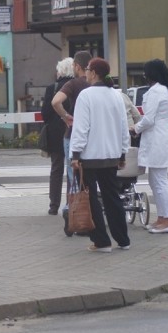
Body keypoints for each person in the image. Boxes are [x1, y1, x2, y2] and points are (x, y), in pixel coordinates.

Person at [69, 58, 131, 253]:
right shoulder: (116, 95)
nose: (85, 73)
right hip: (112, 155)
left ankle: (101, 241)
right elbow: (123, 127)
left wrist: (75, 154)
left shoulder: (85, 96)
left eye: (87, 70)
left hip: (89, 155)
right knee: (112, 196)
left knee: (91, 198)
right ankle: (123, 239)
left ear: (94, 73)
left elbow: (81, 127)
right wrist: (122, 153)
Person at [132, 59, 168, 234]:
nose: (144, 75)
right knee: (156, 180)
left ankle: (167, 220)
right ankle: (162, 218)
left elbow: (149, 119)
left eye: (145, 72)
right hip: (162, 138)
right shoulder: (167, 90)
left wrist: (135, 128)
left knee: (159, 181)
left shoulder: (155, 91)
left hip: (157, 140)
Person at [50, 51, 92, 206]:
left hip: (73, 134)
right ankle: (92, 207)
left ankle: (74, 210)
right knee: (90, 174)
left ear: (77, 66)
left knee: (73, 174)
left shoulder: (73, 84)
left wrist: (65, 116)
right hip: (93, 135)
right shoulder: (95, 83)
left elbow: (55, 102)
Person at [40, 57, 74, 215]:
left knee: (56, 169)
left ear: (60, 71)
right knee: (72, 169)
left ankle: (53, 205)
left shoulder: (52, 88)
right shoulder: (77, 86)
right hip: (73, 132)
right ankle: (71, 203)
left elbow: (45, 113)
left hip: (54, 134)